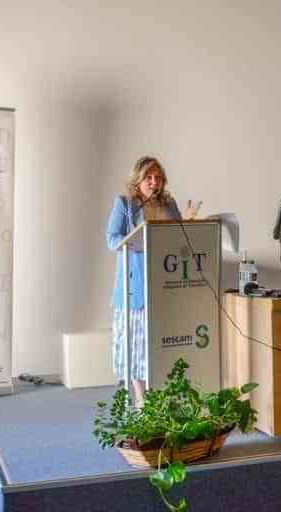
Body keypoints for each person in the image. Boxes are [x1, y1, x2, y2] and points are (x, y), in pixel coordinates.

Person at [106, 156, 202, 402]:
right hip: (136, 286)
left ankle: (160, 393)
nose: (154, 181)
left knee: (161, 343)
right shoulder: (125, 204)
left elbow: (177, 236)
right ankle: (141, 398)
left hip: (165, 282)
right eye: (149, 177)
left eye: (158, 177)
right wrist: (134, 241)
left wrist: (187, 223)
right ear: (137, 179)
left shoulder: (169, 204)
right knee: (137, 346)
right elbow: (112, 239)